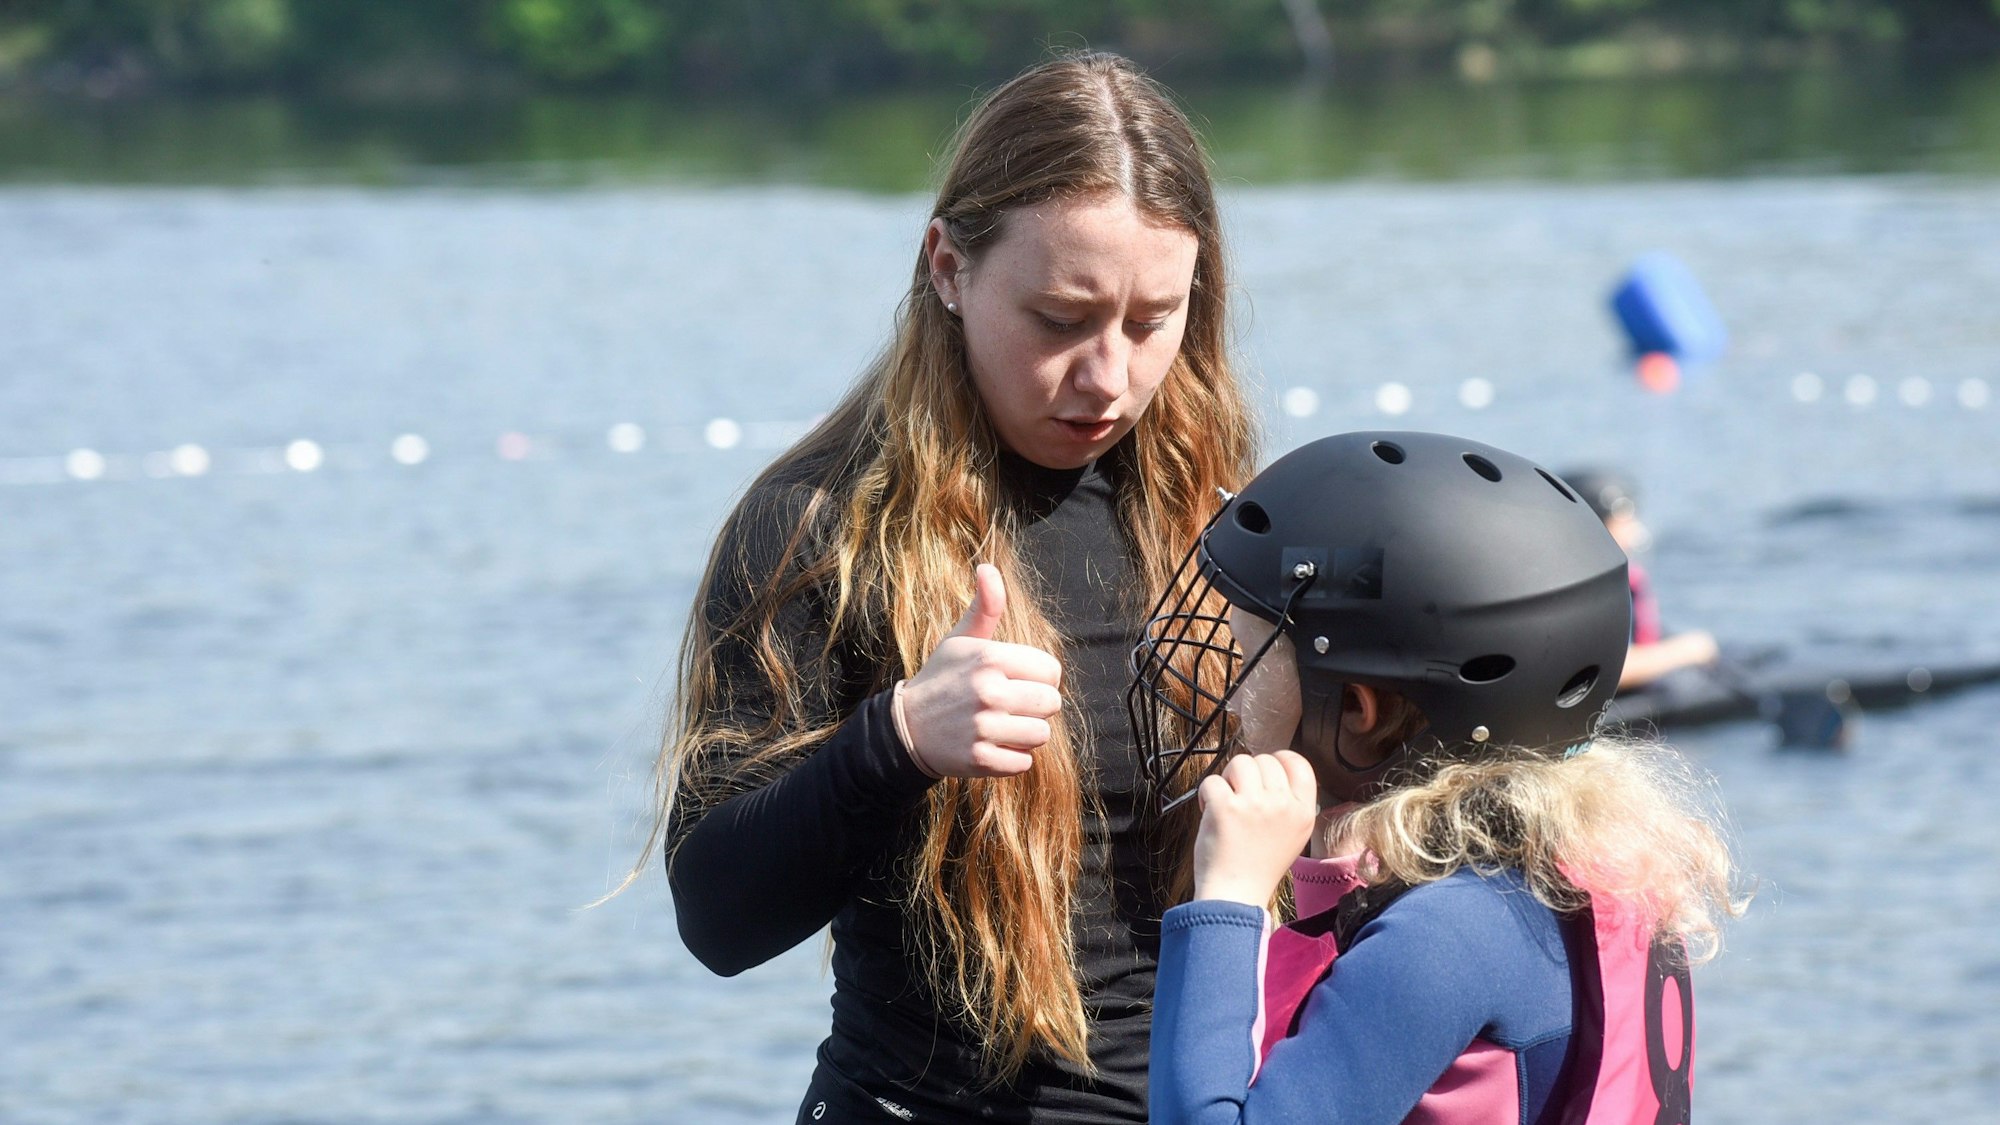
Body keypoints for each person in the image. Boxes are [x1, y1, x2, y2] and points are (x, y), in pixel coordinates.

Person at [646, 52, 1259, 1123]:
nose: (1106, 376)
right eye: (1059, 318)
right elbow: (717, 920)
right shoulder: (814, 527)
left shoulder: (1222, 506)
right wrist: (893, 742)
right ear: (946, 267)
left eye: (1151, 320)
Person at [1133, 431, 1746, 1124]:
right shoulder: (1579, 875)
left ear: (1359, 711)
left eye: (1249, 663)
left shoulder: (1444, 939)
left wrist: (1231, 896)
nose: (1234, 698)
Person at [1560, 466, 1720, 691]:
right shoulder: (1580, 590)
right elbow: (1600, 667)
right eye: (1624, 518)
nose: (1635, 528)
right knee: (1682, 681)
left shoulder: (1619, 577)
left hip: (1640, 662)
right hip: (1612, 693)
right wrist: (1687, 651)